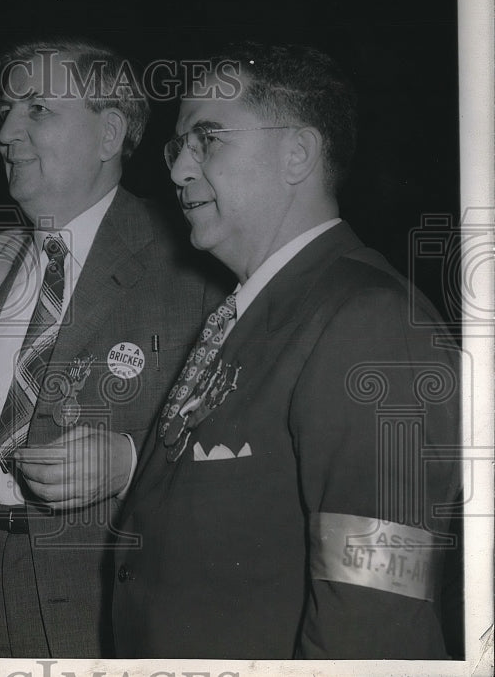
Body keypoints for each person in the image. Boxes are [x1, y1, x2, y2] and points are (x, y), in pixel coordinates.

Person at [112, 42, 462, 659]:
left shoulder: (370, 323)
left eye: (208, 138)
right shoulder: (254, 316)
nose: (177, 170)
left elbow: (378, 614)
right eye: (177, 146)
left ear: (298, 153)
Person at [0, 39, 215, 657]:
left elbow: (245, 442)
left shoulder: (195, 264)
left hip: (104, 608)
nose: (4, 132)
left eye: (37, 109)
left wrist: (131, 462)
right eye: (4, 111)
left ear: (108, 134)